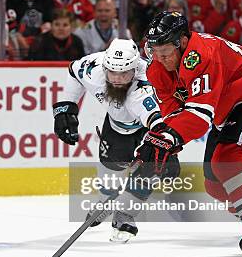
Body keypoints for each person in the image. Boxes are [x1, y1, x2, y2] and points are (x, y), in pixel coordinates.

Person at [140, 11, 242, 257]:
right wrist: (159, 144)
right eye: (154, 50)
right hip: (227, 105)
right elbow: (173, 111)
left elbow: (200, 116)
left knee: (229, 160)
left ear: (182, 41)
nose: (160, 57)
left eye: (165, 50)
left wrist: (169, 139)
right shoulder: (157, 67)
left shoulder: (202, 55)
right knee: (214, 183)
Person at [52, 38, 166, 242]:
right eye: (112, 72)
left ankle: (125, 213)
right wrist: (66, 108)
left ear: (135, 69)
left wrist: (157, 141)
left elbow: (156, 121)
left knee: (160, 167)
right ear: (104, 66)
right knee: (111, 166)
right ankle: (105, 201)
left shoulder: (144, 84)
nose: (117, 79)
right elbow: (73, 71)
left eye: (124, 73)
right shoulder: (93, 68)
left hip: (147, 128)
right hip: (116, 126)